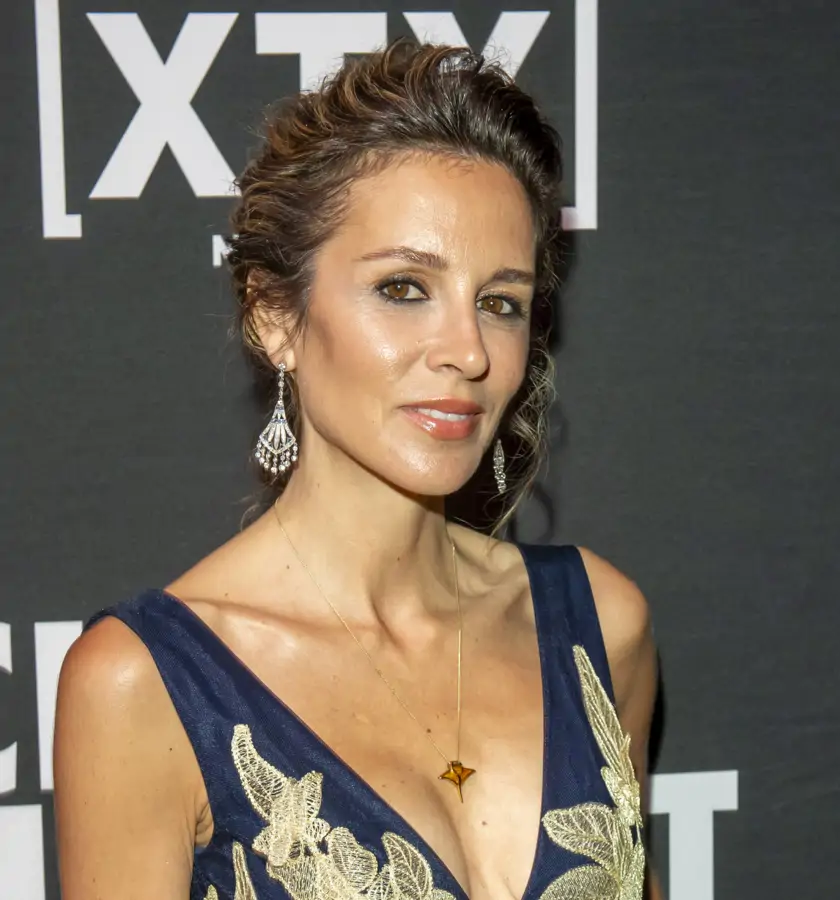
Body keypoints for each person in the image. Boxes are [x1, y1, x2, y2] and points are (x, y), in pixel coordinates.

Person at [53, 41, 660, 900]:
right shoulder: (145, 684)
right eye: (403, 288)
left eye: (501, 303)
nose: (468, 352)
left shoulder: (599, 628)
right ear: (274, 315)